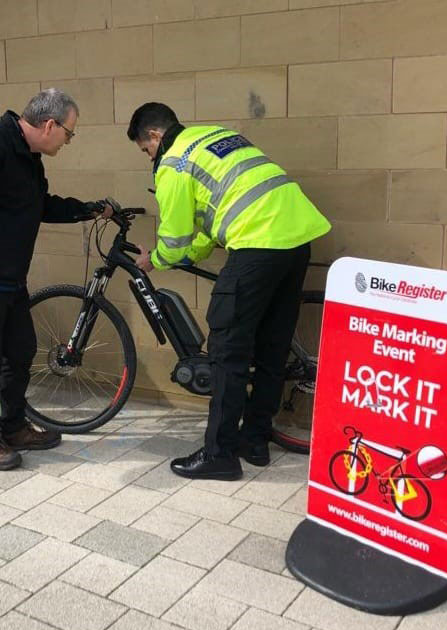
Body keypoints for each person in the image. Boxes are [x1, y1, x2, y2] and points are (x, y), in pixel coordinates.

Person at [127, 102, 331, 481]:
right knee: (272, 345)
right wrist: (193, 252)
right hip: (297, 238)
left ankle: (219, 453)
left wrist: (156, 259)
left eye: (145, 149)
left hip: (257, 245)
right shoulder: (216, 136)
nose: (149, 156)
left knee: (227, 351)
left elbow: (172, 239)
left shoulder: (173, 163)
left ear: (155, 136)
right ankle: (254, 441)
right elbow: (212, 219)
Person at [0, 89, 110, 471]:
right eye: (69, 133)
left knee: (21, 351)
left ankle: (13, 426)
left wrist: (87, 210)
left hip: (9, 277)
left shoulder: (28, 159)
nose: (68, 141)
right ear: (50, 124)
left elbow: (39, 205)